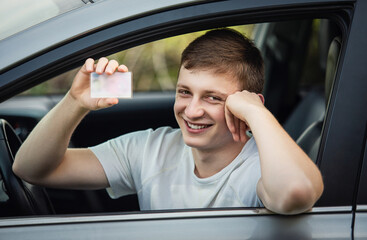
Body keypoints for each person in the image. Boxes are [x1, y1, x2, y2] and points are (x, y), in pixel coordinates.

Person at [13, 28, 324, 214]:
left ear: (244, 104)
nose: (191, 111)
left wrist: (256, 114)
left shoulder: (261, 166)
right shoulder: (150, 148)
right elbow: (32, 169)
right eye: (185, 92)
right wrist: (75, 103)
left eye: (213, 98)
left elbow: (294, 194)